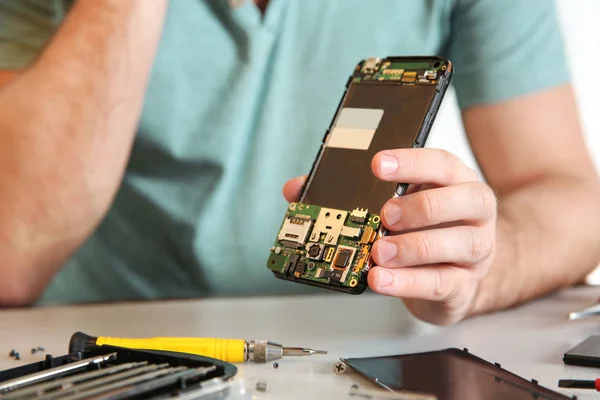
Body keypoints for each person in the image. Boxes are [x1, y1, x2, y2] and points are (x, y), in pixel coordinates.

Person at [0, 0, 598, 326]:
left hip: (351, 348)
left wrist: (476, 272)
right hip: (103, 347)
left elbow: (569, 195)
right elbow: (9, 255)